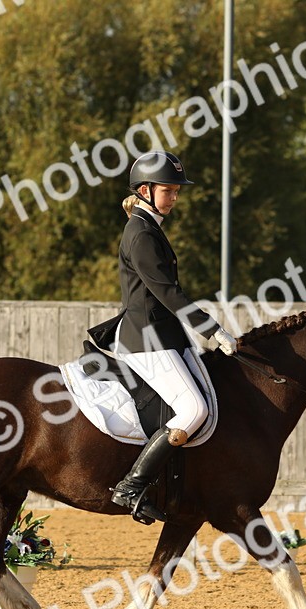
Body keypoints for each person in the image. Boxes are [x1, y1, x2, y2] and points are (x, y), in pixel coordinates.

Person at [107, 150, 237, 524]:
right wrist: (212, 329)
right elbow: (167, 292)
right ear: (145, 190)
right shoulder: (141, 233)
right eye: (169, 190)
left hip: (165, 336)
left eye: (178, 190)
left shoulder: (150, 228)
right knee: (194, 409)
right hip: (147, 339)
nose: (175, 196)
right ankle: (131, 485)